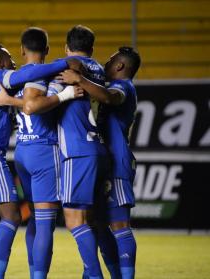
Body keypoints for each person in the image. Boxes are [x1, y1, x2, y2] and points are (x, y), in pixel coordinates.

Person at [0, 43, 81, 279]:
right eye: (9, 58)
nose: (13, 62)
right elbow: (30, 72)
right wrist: (64, 63)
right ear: (0, 61)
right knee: (12, 217)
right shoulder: (1, 77)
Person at [61, 46, 141, 279]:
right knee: (98, 224)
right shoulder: (105, 86)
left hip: (118, 162)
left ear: (119, 66)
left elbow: (109, 98)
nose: (106, 63)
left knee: (119, 225)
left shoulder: (123, 87)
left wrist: (79, 78)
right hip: (101, 160)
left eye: (110, 60)